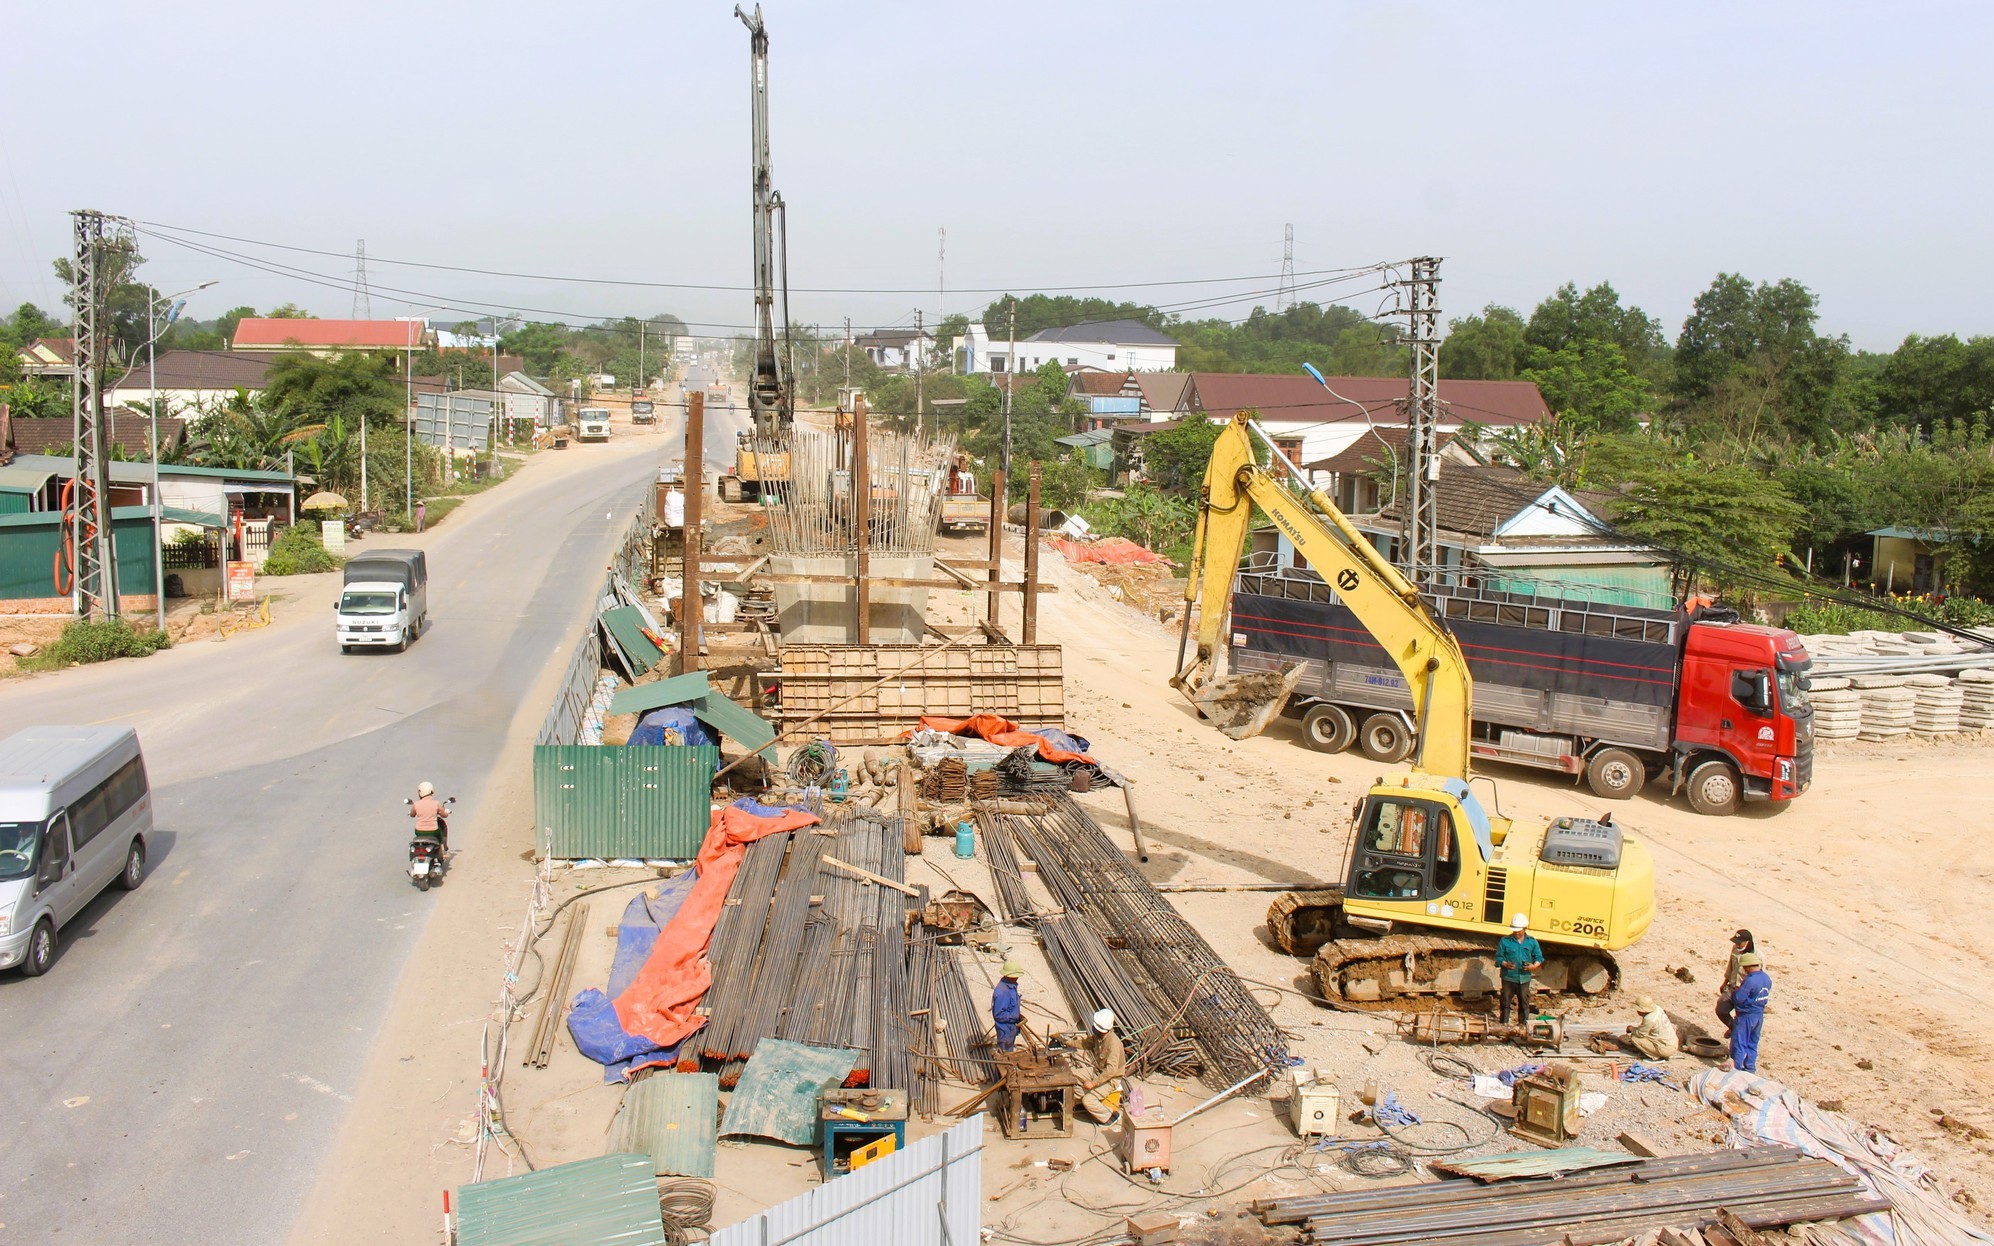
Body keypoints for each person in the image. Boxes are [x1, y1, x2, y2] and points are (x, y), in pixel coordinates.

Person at [1077, 1008, 1127, 1125]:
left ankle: (1110, 1116)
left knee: (1088, 1101)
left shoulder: (1113, 1043)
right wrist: (1065, 1041)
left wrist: (1093, 1083)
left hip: (1111, 1079)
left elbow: (1110, 1071)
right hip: (1098, 1071)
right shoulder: (1099, 1036)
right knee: (1073, 1076)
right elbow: (1084, 1044)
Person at [1726, 953, 1772, 1072]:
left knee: (1740, 1043)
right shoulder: (1766, 978)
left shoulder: (1750, 980)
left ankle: (1736, 1068)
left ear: (1748, 966)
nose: (1744, 970)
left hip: (1746, 1016)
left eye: (1745, 968)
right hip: (1759, 1016)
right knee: (1752, 1043)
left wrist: (1734, 992)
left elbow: (1739, 998)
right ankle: (1750, 1068)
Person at [1497, 913, 1543, 1025]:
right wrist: (1505, 964)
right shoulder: (1505, 941)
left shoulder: (1532, 941)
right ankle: (1504, 1024)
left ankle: (1523, 1025)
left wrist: (1533, 966)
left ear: (1525, 928)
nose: (1516, 932)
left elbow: (1539, 957)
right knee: (1505, 1001)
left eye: (1519, 930)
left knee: (1524, 1002)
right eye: (1515, 930)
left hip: (1524, 978)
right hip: (1508, 977)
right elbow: (1498, 957)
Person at [1716, 929, 1759, 1035]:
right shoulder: (1735, 949)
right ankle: (1733, 1028)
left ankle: (1738, 1036)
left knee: (1741, 1017)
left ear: (1747, 942)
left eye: (1740, 942)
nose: (1737, 944)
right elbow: (1730, 966)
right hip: (1732, 987)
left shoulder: (1758, 956)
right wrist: (1725, 982)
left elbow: (1760, 978)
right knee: (1721, 1010)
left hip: (1745, 991)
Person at [1619, 995, 1680, 1061]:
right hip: (1673, 1044)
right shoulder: (1658, 1008)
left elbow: (1640, 1034)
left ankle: (1656, 1055)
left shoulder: (1649, 1019)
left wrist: (1631, 1028)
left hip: (1665, 1049)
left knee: (1635, 1038)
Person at [992, 962, 1024, 1053]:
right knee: (1005, 1053)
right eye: (1015, 976)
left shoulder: (1011, 986)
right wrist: (1014, 1016)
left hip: (1010, 1027)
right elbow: (998, 1015)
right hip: (1005, 1028)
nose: (1017, 978)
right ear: (1009, 976)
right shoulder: (1003, 992)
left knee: (1009, 1050)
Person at [408, 781, 448, 851]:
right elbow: (444, 815)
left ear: (420, 793)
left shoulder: (416, 804)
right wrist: (447, 812)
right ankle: (444, 848)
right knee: (441, 833)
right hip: (434, 831)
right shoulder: (436, 803)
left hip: (419, 831)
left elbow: (412, 815)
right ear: (432, 791)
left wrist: (411, 813)